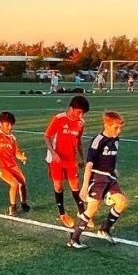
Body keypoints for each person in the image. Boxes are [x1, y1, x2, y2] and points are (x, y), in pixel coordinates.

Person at [68, 111, 127, 249]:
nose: (119, 131)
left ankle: (104, 230)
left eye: (120, 128)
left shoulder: (115, 139)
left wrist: (114, 169)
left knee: (121, 203)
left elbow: (111, 157)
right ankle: (74, 239)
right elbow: (89, 165)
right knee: (92, 209)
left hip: (110, 177)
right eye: (116, 128)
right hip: (97, 177)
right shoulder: (98, 140)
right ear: (106, 125)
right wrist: (84, 186)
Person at [45, 95, 90, 228]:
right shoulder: (58, 119)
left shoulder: (80, 123)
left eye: (82, 113)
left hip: (71, 159)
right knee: (58, 186)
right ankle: (62, 213)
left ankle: (82, 212)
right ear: (71, 108)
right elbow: (47, 137)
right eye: (79, 112)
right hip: (56, 160)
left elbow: (78, 141)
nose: (80, 115)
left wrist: (81, 158)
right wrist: (53, 153)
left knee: (75, 185)